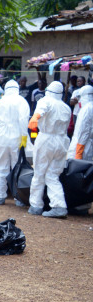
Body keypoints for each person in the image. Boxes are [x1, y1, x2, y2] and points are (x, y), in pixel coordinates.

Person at [27, 81, 71, 218]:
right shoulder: (66, 107)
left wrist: (35, 117)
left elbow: (42, 110)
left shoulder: (45, 101)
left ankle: (36, 205)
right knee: (53, 175)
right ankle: (59, 206)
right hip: (62, 141)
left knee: (39, 172)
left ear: (48, 90)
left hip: (46, 139)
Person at [67, 85, 93, 215]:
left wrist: (78, 153)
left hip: (80, 147)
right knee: (86, 177)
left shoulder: (87, 109)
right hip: (87, 147)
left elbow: (83, 132)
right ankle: (84, 205)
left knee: (77, 177)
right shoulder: (90, 107)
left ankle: (78, 206)